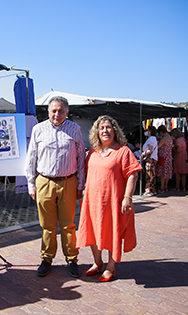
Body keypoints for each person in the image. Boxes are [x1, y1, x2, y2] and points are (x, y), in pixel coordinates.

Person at [25, 96, 85, 278]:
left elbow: (81, 158)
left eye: (61, 111)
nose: (57, 114)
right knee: (47, 225)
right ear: (48, 112)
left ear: (67, 112)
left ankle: (72, 259)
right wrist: (31, 184)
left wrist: (80, 183)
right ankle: (47, 259)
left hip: (69, 181)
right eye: (53, 111)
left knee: (68, 225)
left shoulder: (75, 129)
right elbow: (31, 158)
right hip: (44, 182)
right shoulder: (38, 129)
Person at [76, 116, 142, 282]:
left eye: (108, 127)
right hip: (92, 201)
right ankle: (97, 262)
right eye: (101, 128)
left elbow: (133, 174)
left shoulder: (123, 151)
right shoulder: (92, 152)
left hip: (113, 202)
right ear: (97, 132)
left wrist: (128, 197)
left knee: (113, 233)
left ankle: (110, 267)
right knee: (91, 231)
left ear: (115, 130)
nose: (105, 131)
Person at [141, 126, 158, 196]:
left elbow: (150, 149)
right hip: (153, 158)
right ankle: (152, 189)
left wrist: (143, 153)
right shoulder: (153, 138)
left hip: (150, 159)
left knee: (149, 174)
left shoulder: (151, 139)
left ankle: (149, 189)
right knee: (151, 174)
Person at [156, 125, 173, 192]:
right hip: (168, 156)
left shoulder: (164, 138)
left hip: (163, 157)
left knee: (163, 173)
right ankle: (165, 187)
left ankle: (162, 187)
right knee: (167, 172)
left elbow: (158, 146)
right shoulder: (170, 137)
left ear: (161, 132)